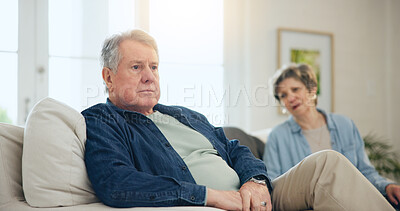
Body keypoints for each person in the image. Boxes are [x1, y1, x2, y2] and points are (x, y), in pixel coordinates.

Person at [82, 29, 394, 211]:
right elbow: (115, 183)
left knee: (327, 163)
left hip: (255, 197)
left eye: (154, 66)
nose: (150, 77)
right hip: (220, 205)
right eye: (137, 67)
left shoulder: (184, 114)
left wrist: (254, 181)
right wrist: (210, 195)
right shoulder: (103, 121)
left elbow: (236, 148)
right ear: (108, 77)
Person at [263, 63, 400, 208]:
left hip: (353, 198)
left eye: (295, 89)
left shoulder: (345, 125)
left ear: (311, 89)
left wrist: (387, 186)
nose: (290, 98)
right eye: (283, 95)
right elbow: (274, 185)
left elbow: (365, 172)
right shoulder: (277, 136)